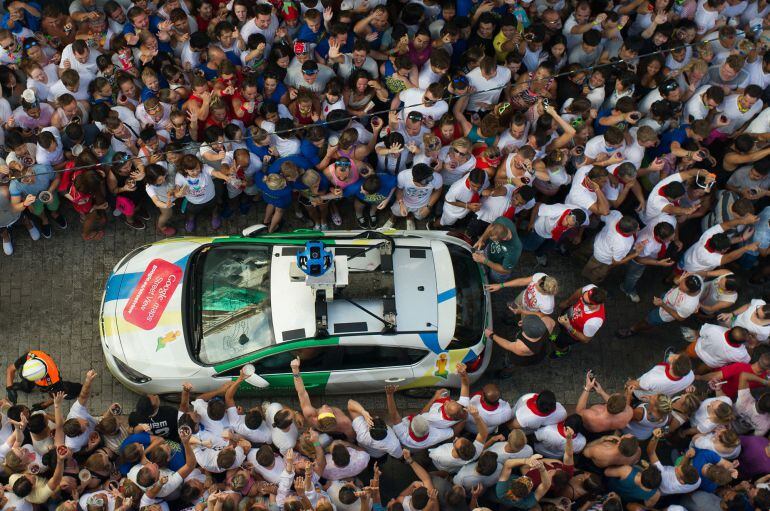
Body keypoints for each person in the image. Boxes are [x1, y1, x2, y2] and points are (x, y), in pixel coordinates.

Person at [5, 349, 82, 404]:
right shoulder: (30, 356)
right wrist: (9, 388)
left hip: (55, 384)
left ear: (39, 379)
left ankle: (78, 390)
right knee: (26, 384)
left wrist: (44, 405)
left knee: (65, 390)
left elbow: (57, 396)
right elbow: (10, 369)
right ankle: (26, 388)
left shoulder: (53, 380)